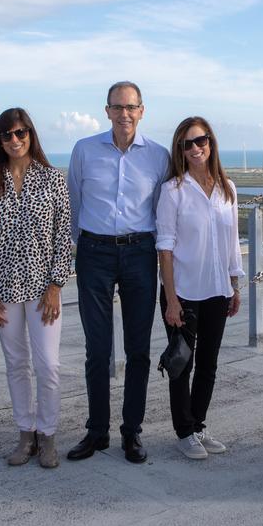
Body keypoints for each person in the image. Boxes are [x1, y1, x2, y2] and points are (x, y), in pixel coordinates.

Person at [65, 82, 169, 465]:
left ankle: (132, 432)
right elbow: (75, 201)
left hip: (140, 252)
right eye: (116, 107)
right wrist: (87, 244)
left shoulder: (158, 156)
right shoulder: (84, 150)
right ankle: (97, 432)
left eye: (131, 107)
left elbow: (162, 209)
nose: (124, 113)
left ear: (142, 111)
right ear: (106, 111)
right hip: (94, 253)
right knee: (97, 348)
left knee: (138, 348)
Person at [0, 108, 72, 469]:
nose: (15, 140)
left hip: (44, 289)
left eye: (21, 133)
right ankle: (25, 433)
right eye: (7, 135)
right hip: (1, 290)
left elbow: (63, 237)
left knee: (49, 365)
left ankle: (48, 435)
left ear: (31, 135)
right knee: (16, 364)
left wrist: (57, 285)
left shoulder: (52, 180)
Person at [156, 117, 244, 460]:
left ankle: (199, 424)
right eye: (187, 144)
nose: (195, 148)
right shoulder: (173, 191)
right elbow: (165, 247)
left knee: (209, 363)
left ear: (211, 142)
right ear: (180, 150)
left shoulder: (227, 189)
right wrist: (171, 298)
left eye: (201, 141)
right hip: (184, 292)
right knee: (182, 363)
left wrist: (234, 285)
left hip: (217, 290)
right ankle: (184, 431)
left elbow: (232, 241)